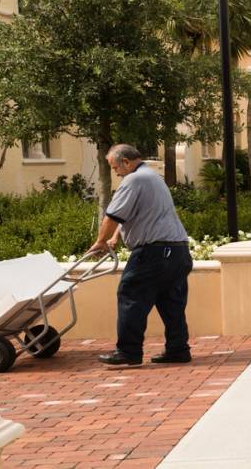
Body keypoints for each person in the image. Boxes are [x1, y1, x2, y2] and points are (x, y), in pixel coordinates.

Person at [86, 144, 193, 366]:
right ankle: (178, 349)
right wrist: (115, 238)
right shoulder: (152, 177)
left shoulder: (133, 180)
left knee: (130, 295)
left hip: (154, 252)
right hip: (178, 251)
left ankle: (128, 352)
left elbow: (113, 214)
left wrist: (100, 242)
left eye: (116, 167)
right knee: (170, 301)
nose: (116, 172)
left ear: (126, 162)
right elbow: (133, 214)